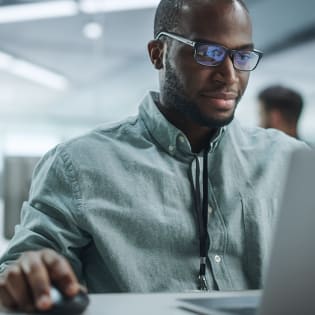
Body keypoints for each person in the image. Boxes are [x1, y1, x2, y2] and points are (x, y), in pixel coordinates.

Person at [0, 0, 306, 312]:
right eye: (208, 52)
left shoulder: (288, 159)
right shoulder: (77, 166)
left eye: (241, 56)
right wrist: (31, 271)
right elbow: (19, 271)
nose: (229, 74)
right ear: (158, 54)